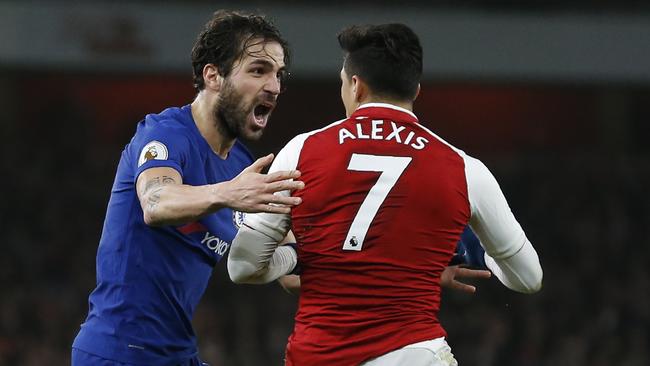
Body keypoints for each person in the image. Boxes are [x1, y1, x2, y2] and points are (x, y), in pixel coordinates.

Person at [227, 23, 543, 365]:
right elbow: (529, 277)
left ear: (355, 85)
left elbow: (244, 267)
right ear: (416, 91)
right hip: (414, 354)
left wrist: (300, 255)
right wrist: (465, 252)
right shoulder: (464, 168)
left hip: (316, 356)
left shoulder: (302, 151)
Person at [71, 10, 304, 365]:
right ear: (213, 76)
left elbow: (291, 273)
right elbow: (157, 202)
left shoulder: (242, 165)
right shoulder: (165, 134)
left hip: (177, 354)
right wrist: (227, 193)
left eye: (278, 74)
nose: (274, 85)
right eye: (258, 70)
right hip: (118, 352)